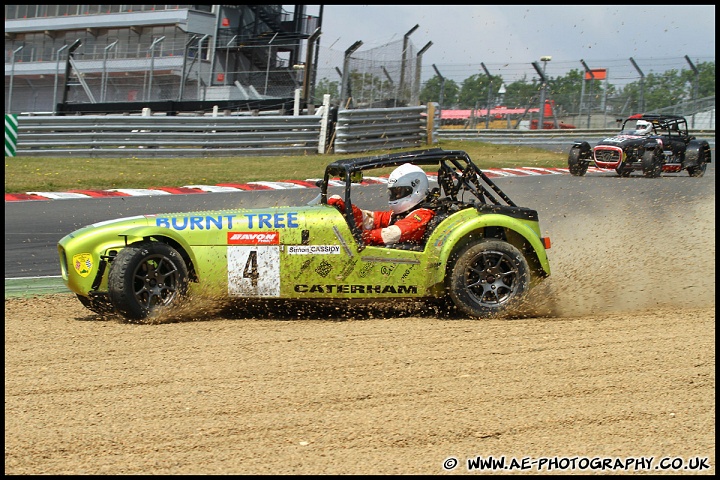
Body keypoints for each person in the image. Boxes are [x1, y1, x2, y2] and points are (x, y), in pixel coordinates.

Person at [328, 163, 436, 246]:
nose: (395, 196)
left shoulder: (422, 214)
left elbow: (396, 232)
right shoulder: (400, 214)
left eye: (398, 192)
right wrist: (347, 209)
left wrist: (364, 237)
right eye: (394, 193)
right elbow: (373, 220)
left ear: (415, 189)